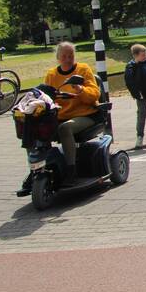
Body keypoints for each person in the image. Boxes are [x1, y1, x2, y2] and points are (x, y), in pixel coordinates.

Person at [42, 42, 100, 185]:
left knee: (65, 128)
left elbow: (94, 95)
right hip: (61, 116)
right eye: (64, 56)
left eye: (71, 56)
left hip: (85, 114)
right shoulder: (51, 75)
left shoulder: (83, 69)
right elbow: (46, 96)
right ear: (58, 57)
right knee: (34, 129)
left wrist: (81, 90)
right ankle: (39, 169)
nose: (68, 59)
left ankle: (71, 171)